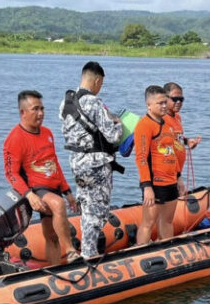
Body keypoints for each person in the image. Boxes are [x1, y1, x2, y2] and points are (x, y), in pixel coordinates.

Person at [3, 90, 79, 263]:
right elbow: (11, 173)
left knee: (51, 237)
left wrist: (67, 191)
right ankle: (70, 251)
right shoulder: (14, 138)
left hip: (53, 186)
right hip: (36, 190)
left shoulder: (47, 133)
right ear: (23, 112)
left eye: (42, 109)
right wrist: (29, 195)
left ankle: (55, 270)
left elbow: (54, 163)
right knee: (58, 204)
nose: (41, 113)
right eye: (35, 109)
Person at [60, 61, 124, 260]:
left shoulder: (65, 103)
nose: (100, 88)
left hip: (77, 162)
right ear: (97, 80)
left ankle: (87, 249)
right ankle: (89, 252)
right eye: (101, 83)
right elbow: (113, 136)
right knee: (97, 208)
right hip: (96, 164)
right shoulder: (94, 103)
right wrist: (119, 123)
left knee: (87, 205)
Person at [133, 85, 184, 246]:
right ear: (149, 105)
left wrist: (178, 177)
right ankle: (140, 253)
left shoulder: (168, 124)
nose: (164, 106)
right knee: (148, 223)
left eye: (165, 102)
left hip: (171, 181)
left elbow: (172, 153)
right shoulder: (144, 125)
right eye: (159, 103)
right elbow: (141, 158)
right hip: (155, 183)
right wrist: (147, 186)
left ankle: (167, 250)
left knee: (167, 222)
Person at [162, 82, 201, 178]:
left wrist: (187, 141)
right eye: (175, 99)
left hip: (177, 171)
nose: (178, 102)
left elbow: (177, 139)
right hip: (166, 173)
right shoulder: (161, 120)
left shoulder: (177, 117)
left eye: (181, 99)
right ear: (165, 98)